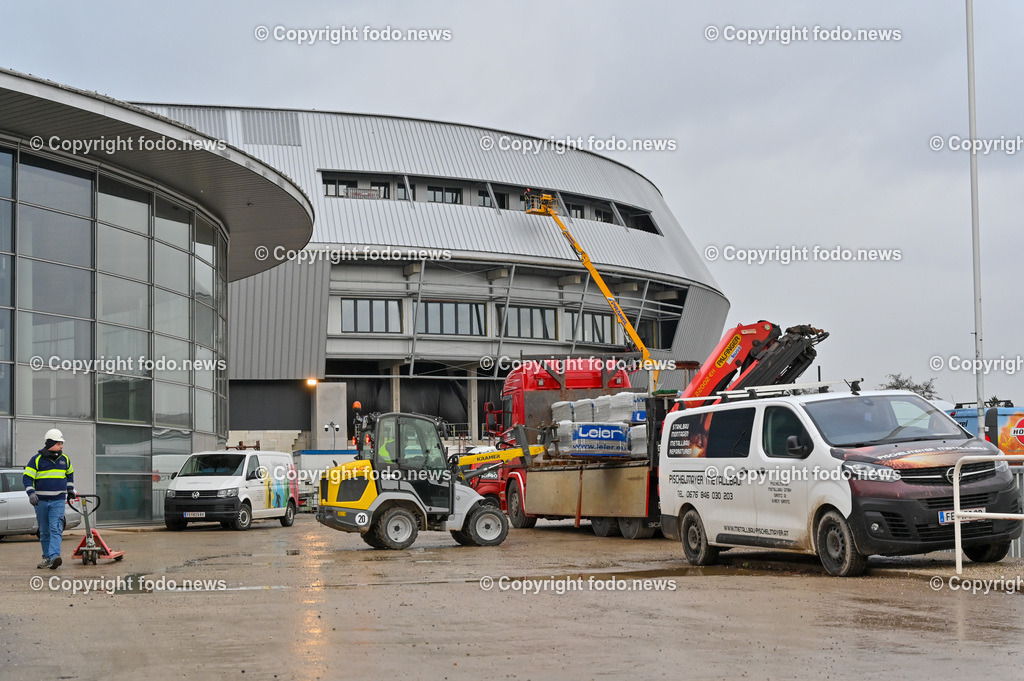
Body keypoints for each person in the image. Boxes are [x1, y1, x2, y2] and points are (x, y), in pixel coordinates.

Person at [23, 429, 76, 570]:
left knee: (56, 528)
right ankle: (46, 558)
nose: (62, 446)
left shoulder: (65, 459)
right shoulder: (36, 459)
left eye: (62, 444)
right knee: (44, 531)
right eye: (59, 443)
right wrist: (31, 493)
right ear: (51, 444)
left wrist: (70, 489)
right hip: (40, 502)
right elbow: (27, 478)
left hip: (58, 501)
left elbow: (70, 474)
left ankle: (54, 557)